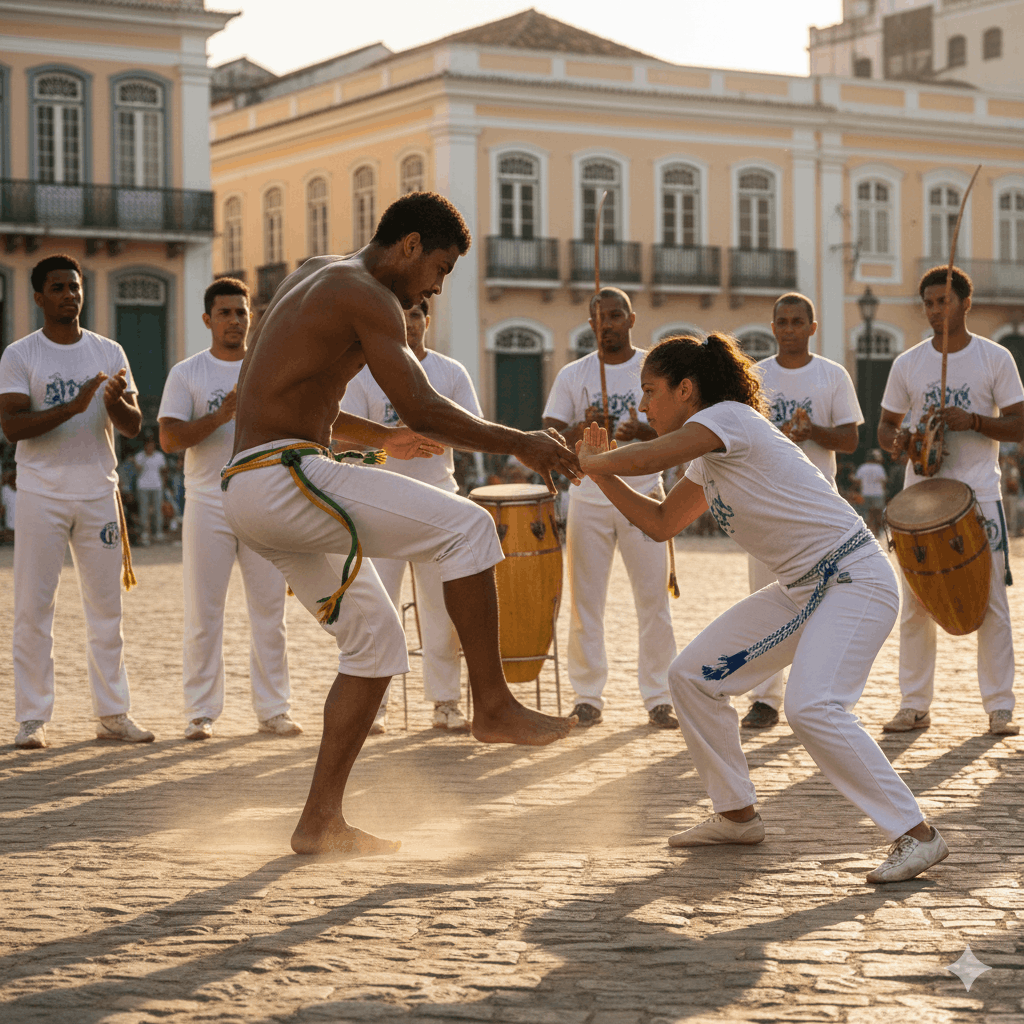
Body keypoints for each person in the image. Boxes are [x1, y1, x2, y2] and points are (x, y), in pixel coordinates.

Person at [219, 191, 580, 856]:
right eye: (439, 270)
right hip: (285, 478)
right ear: (410, 245)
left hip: (250, 488)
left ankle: (318, 822)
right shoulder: (369, 294)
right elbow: (424, 406)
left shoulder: (313, 275)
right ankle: (492, 704)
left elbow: (281, 392)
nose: (436, 289)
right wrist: (519, 442)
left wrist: (379, 439)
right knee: (469, 529)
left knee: (376, 643)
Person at [576, 332, 948, 883]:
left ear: (685, 390)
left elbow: (650, 455)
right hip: (804, 589)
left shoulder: (730, 419)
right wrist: (598, 473)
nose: (643, 406)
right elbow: (660, 524)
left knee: (812, 705)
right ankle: (736, 815)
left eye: (650, 391)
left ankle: (917, 835)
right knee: (692, 677)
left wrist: (596, 458)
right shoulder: (707, 456)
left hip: (854, 578)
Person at [0, 254, 154, 749]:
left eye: (75, 286)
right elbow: (12, 427)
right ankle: (32, 718)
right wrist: (72, 406)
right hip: (41, 493)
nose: (69, 294)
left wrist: (115, 405)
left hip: (97, 492)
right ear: (39, 297)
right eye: (58, 287)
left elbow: (132, 426)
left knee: (106, 610)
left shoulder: (109, 351)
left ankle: (112, 714)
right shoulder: (21, 355)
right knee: (33, 609)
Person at [879, 265, 1023, 737]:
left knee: (992, 600)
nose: (936, 310)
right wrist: (898, 441)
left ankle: (1000, 706)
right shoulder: (908, 363)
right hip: (919, 495)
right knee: (916, 602)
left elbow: (1020, 425)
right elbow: (885, 426)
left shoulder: (994, 358)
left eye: (944, 301)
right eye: (929, 303)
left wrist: (976, 422)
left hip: (977, 492)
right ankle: (913, 703)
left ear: (966, 303)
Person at [158, 277, 300, 741]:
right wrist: (221, 415)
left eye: (241, 312)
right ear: (207, 320)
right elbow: (170, 438)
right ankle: (201, 712)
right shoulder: (188, 373)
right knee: (205, 613)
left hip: (263, 501)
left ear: (250, 318)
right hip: (207, 503)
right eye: (225, 313)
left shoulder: (271, 368)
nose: (235, 321)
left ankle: (274, 709)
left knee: (269, 612)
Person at [338, 297, 480, 734]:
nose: (408, 322)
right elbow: (342, 439)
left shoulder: (450, 372)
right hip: (380, 501)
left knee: (441, 611)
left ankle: (445, 702)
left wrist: (434, 430)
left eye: (415, 314)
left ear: (426, 320)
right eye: (398, 314)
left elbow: (472, 431)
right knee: (376, 610)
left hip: (438, 498)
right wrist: (388, 439)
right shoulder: (364, 375)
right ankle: (374, 706)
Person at [542, 287, 678, 729]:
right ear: (590, 324)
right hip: (589, 496)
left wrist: (644, 430)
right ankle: (587, 695)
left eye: (616, 316)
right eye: (599, 318)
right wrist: (582, 427)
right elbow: (549, 433)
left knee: (653, 599)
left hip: (643, 493)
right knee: (586, 600)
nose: (608, 324)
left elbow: (677, 429)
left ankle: (659, 694)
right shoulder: (574, 374)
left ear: (631, 319)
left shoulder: (651, 370)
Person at [741, 292, 862, 730]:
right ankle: (765, 698)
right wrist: (778, 434)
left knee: (827, 604)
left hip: (819, 510)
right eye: (782, 321)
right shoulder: (753, 377)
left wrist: (814, 431)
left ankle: (824, 696)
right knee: (764, 603)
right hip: (764, 507)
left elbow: (849, 440)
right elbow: (740, 438)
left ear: (813, 328)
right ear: (772, 328)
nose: (789, 328)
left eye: (797, 321)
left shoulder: (832, 376)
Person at [134, 434, 167, 545]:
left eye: (151, 446)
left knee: (158, 509)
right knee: (144, 510)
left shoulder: (159, 456)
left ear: (154, 446)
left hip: (157, 485)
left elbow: (164, 470)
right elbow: (137, 469)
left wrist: (164, 484)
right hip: (143, 486)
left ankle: (158, 531)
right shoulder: (140, 456)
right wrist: (141, 459)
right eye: (148, 446)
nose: (150, 448)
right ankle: (144, 532)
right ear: (145, 446)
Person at [854, 449, 888, 537]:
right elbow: (884, 481)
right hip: (878, 493)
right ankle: (878, 533)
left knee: (868, 515)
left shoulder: (862, 467)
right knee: (878, 514)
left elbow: (858, 481)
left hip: (866, 493)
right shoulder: (879, 468)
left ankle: (870, 534)